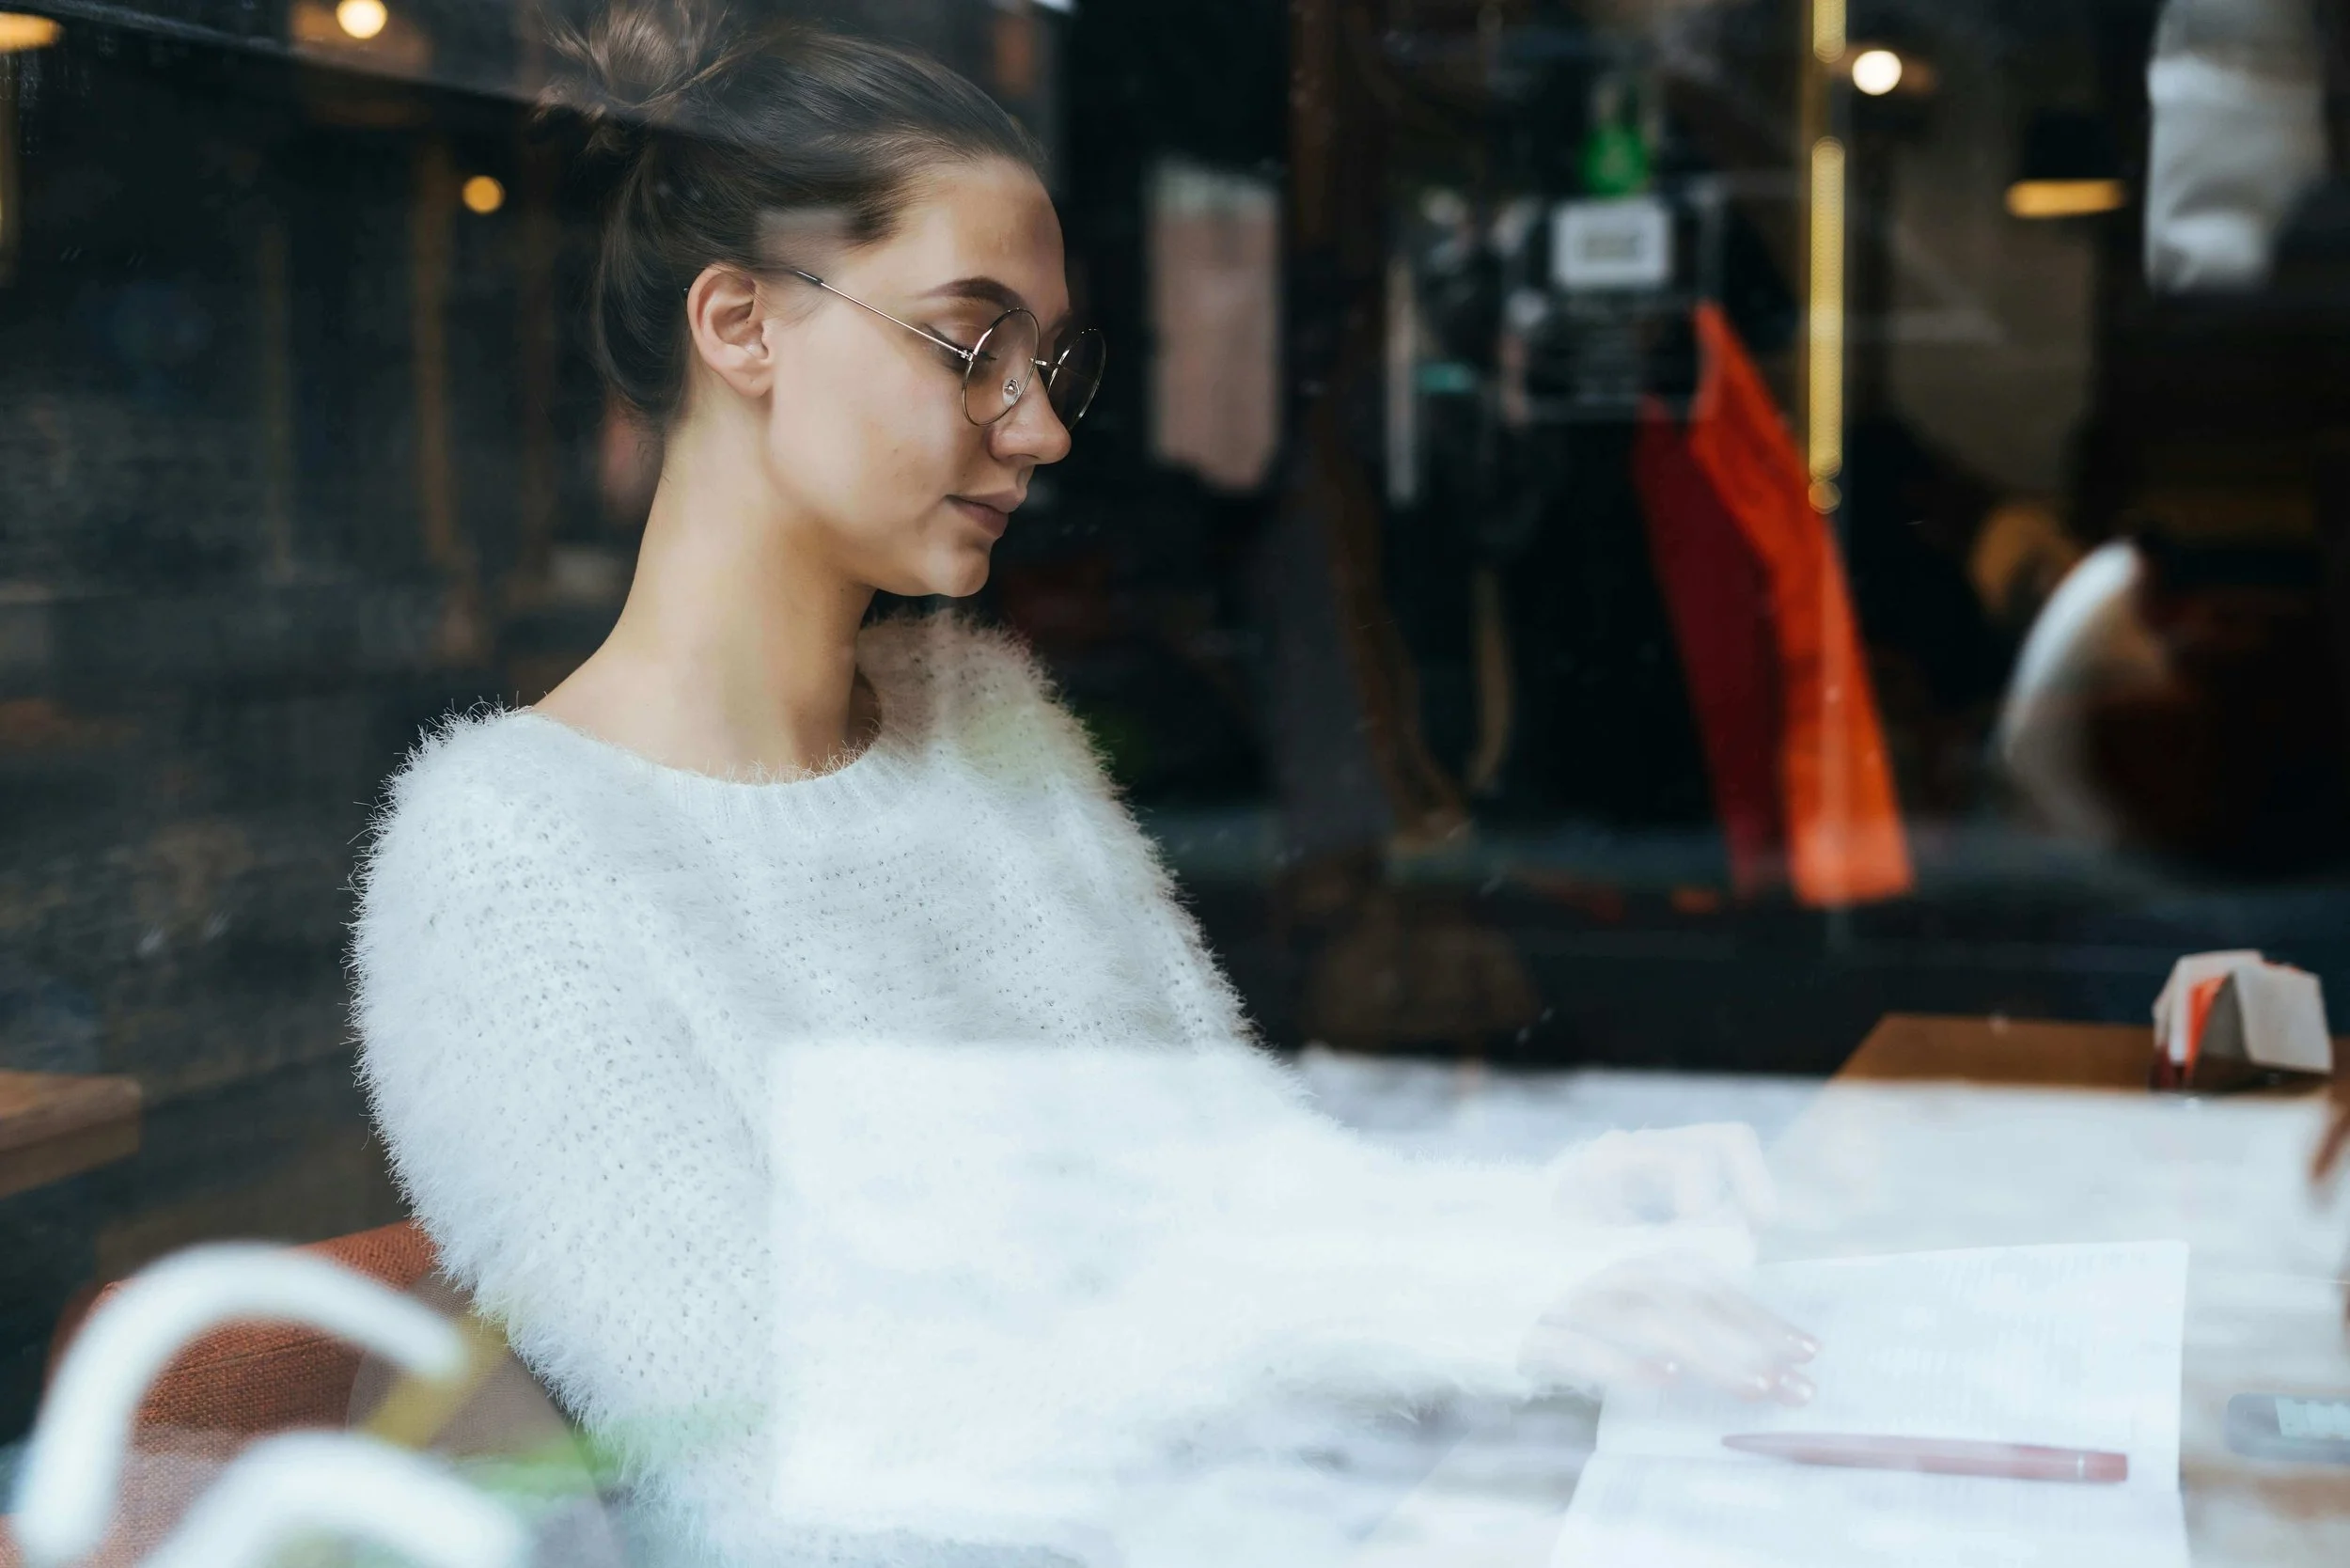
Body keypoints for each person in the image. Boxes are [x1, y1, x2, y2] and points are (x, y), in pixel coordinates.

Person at [348, 6, 1815, 1562]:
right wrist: (1466, 1304)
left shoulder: (983, 718)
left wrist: (1546, 1220)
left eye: (1050, 361)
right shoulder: (509, 859)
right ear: (742, 325)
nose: (1037, 426)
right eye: (971, 343)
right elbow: (791, 1481)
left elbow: (1238, 1189)